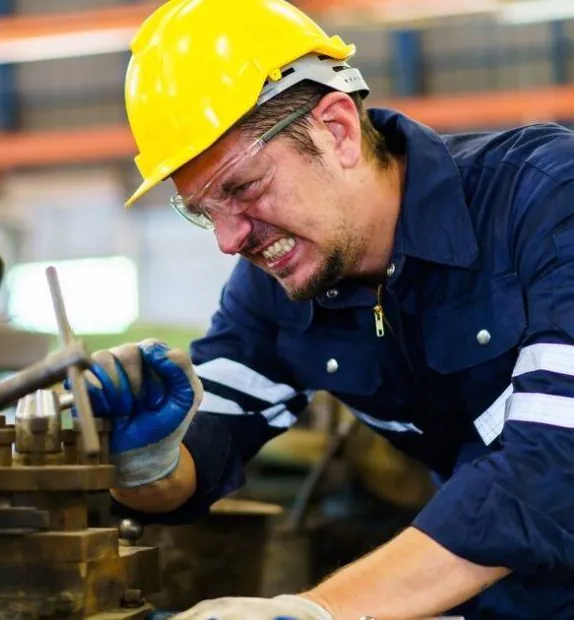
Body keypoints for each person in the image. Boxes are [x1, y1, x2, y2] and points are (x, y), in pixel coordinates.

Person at [75, 0, 574, 618]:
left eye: (242, 188)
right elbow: (209, 447)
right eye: (204, 211)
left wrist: (318, 610)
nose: (230, 240)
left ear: (335, 129)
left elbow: (552, 467)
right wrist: (147, 460)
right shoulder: (282, 282)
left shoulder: (545, 200)